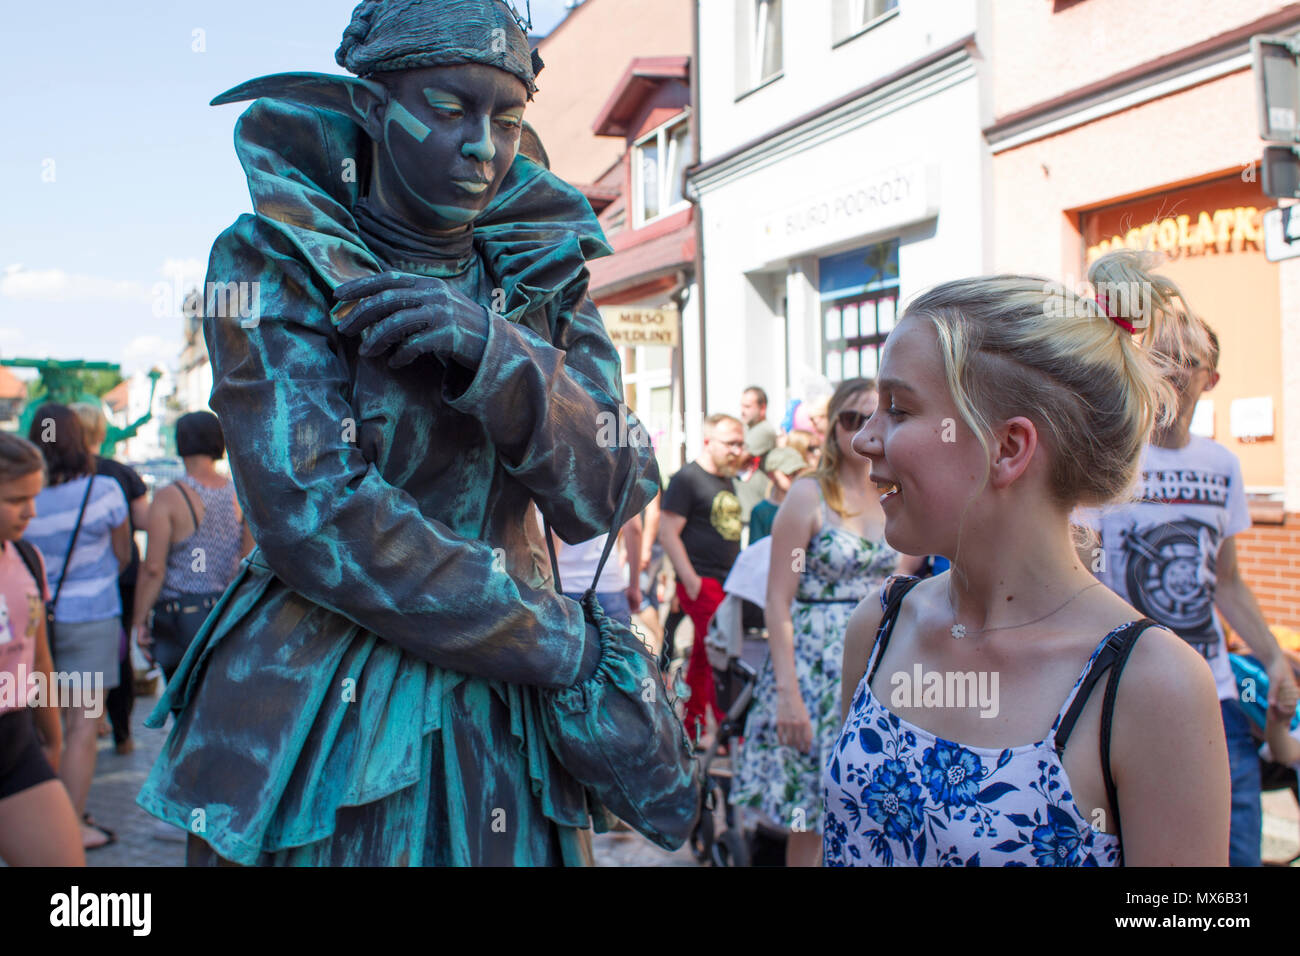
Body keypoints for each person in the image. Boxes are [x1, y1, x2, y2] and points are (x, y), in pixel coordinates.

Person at [135, 0, 662, 867]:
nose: (482, 147)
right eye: (449, 109)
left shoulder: (538, 265)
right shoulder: (275, 254)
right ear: (373, 108)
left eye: (506, 117)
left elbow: (613, 484)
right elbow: (313, 513)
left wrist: (494, 352)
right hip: (319, 701)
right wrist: (553, 640)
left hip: (505, 716)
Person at [825, 250, 1231, 866]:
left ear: (1008, 447)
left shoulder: (1150, 685)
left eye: (900, 410)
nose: (863, 438)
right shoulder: (880, 625)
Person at [1075, 319, 1299, 867]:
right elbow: (1078, 568)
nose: (1172, 368)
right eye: (1161, 355)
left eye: (1186, 358)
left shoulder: (1221, 465)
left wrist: (1272, 656)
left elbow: (1227, 581)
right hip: (1123, 689)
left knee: (1234, 849)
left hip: (1214, 692)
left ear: (1211, 377)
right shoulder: (1113, 455)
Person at [733, 378, 918, 866]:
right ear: (834, 426)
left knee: (872, 812)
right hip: (815, 672)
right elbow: (778, 600)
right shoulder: (808, 495)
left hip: (877, 667)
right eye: (849, 419)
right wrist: (789, 696)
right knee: (810, 819)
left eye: (872, 417)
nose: (860, 430)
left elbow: (905, 578)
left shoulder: (895, 494)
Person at [23, 403, 130, 852]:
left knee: (44, 727)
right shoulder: (103, 490)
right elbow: (124, 556)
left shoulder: (22, 495)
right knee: (84, 726)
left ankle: (34, 822)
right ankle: (69, 828)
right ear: (79, 440)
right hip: (91, 619)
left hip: (32, 626)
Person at [0, 432, 85, 866]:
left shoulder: (26, 558)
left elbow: (40, 658)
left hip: (15, 743)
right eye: (17, 499)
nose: (30, 512)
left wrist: (52, 737)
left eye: (34, 497)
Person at [131, 412, 252, 682]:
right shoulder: (240, 494)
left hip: (180, 617)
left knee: (182, 705)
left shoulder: (169, 497)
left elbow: (153, 568)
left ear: (180, 443)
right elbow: (247, 558)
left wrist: (138, 621)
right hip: (225, 612)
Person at [660, 413, 745, 743]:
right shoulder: (687, 479)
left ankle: (693, 725)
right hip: (702, 580)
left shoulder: (727, 479)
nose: (737, 450)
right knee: (720, 652)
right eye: (731, 444)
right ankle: (726, 731)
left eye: (741, 443)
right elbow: (668, 533)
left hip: (726, 580)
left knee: (702, 655)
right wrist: (690, 581)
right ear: (709, 442)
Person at [72, 402, 149, 756]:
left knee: (78, 660)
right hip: (122, 578)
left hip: (74, 586)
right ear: (102, 433)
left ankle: (89, 722)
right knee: (119, 653)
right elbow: (144, 522)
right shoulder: (120, 474)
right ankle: (122, 733)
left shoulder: (58, 473)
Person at [551, 516, 641, 627]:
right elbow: (633, 528)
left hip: (564, 586)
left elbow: (549, 535)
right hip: (608, 585)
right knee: (616, 643)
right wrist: (634, 586)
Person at [747, 446, 809, 544]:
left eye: (798, 473)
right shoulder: (761, 512)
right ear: (772, 475)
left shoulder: (808, 506)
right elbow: (756, 550)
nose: (795, 478)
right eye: (789, 474)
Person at [735, 387, 777, 527]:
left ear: (762, 407)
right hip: (744, 509)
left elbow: (737, 459)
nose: (742, 410)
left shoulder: (764, 430)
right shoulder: (746, 428)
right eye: (741, 405)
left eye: (747, 406)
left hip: (754, 508)